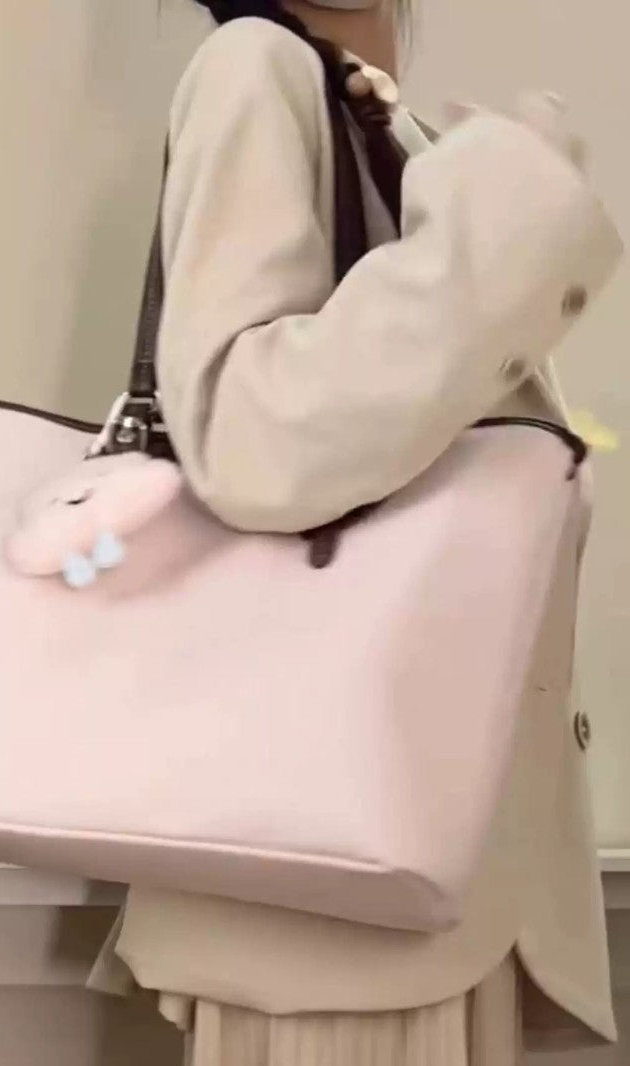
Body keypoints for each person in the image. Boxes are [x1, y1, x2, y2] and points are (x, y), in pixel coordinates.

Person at [89, 2, 623, 1063]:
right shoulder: (254, 66)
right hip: (338, 904)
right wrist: (503, 224)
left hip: (402, 877)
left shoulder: (369, 121)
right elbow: (252, 441)